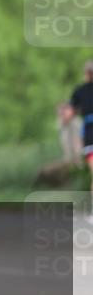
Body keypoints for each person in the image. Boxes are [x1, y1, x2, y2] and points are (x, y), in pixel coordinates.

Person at [63, 60, 93, 203]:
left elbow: (69, 114)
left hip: (90, 134)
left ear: (86, 73)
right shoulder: (80, 91)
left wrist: (65, 119)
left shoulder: (80, 91)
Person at [58, 101, 83, 165]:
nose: (62, 115)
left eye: (63, 113)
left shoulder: (77, 122)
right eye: (60, 114)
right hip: (69, 157)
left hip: (80, 155)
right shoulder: (62, 126)